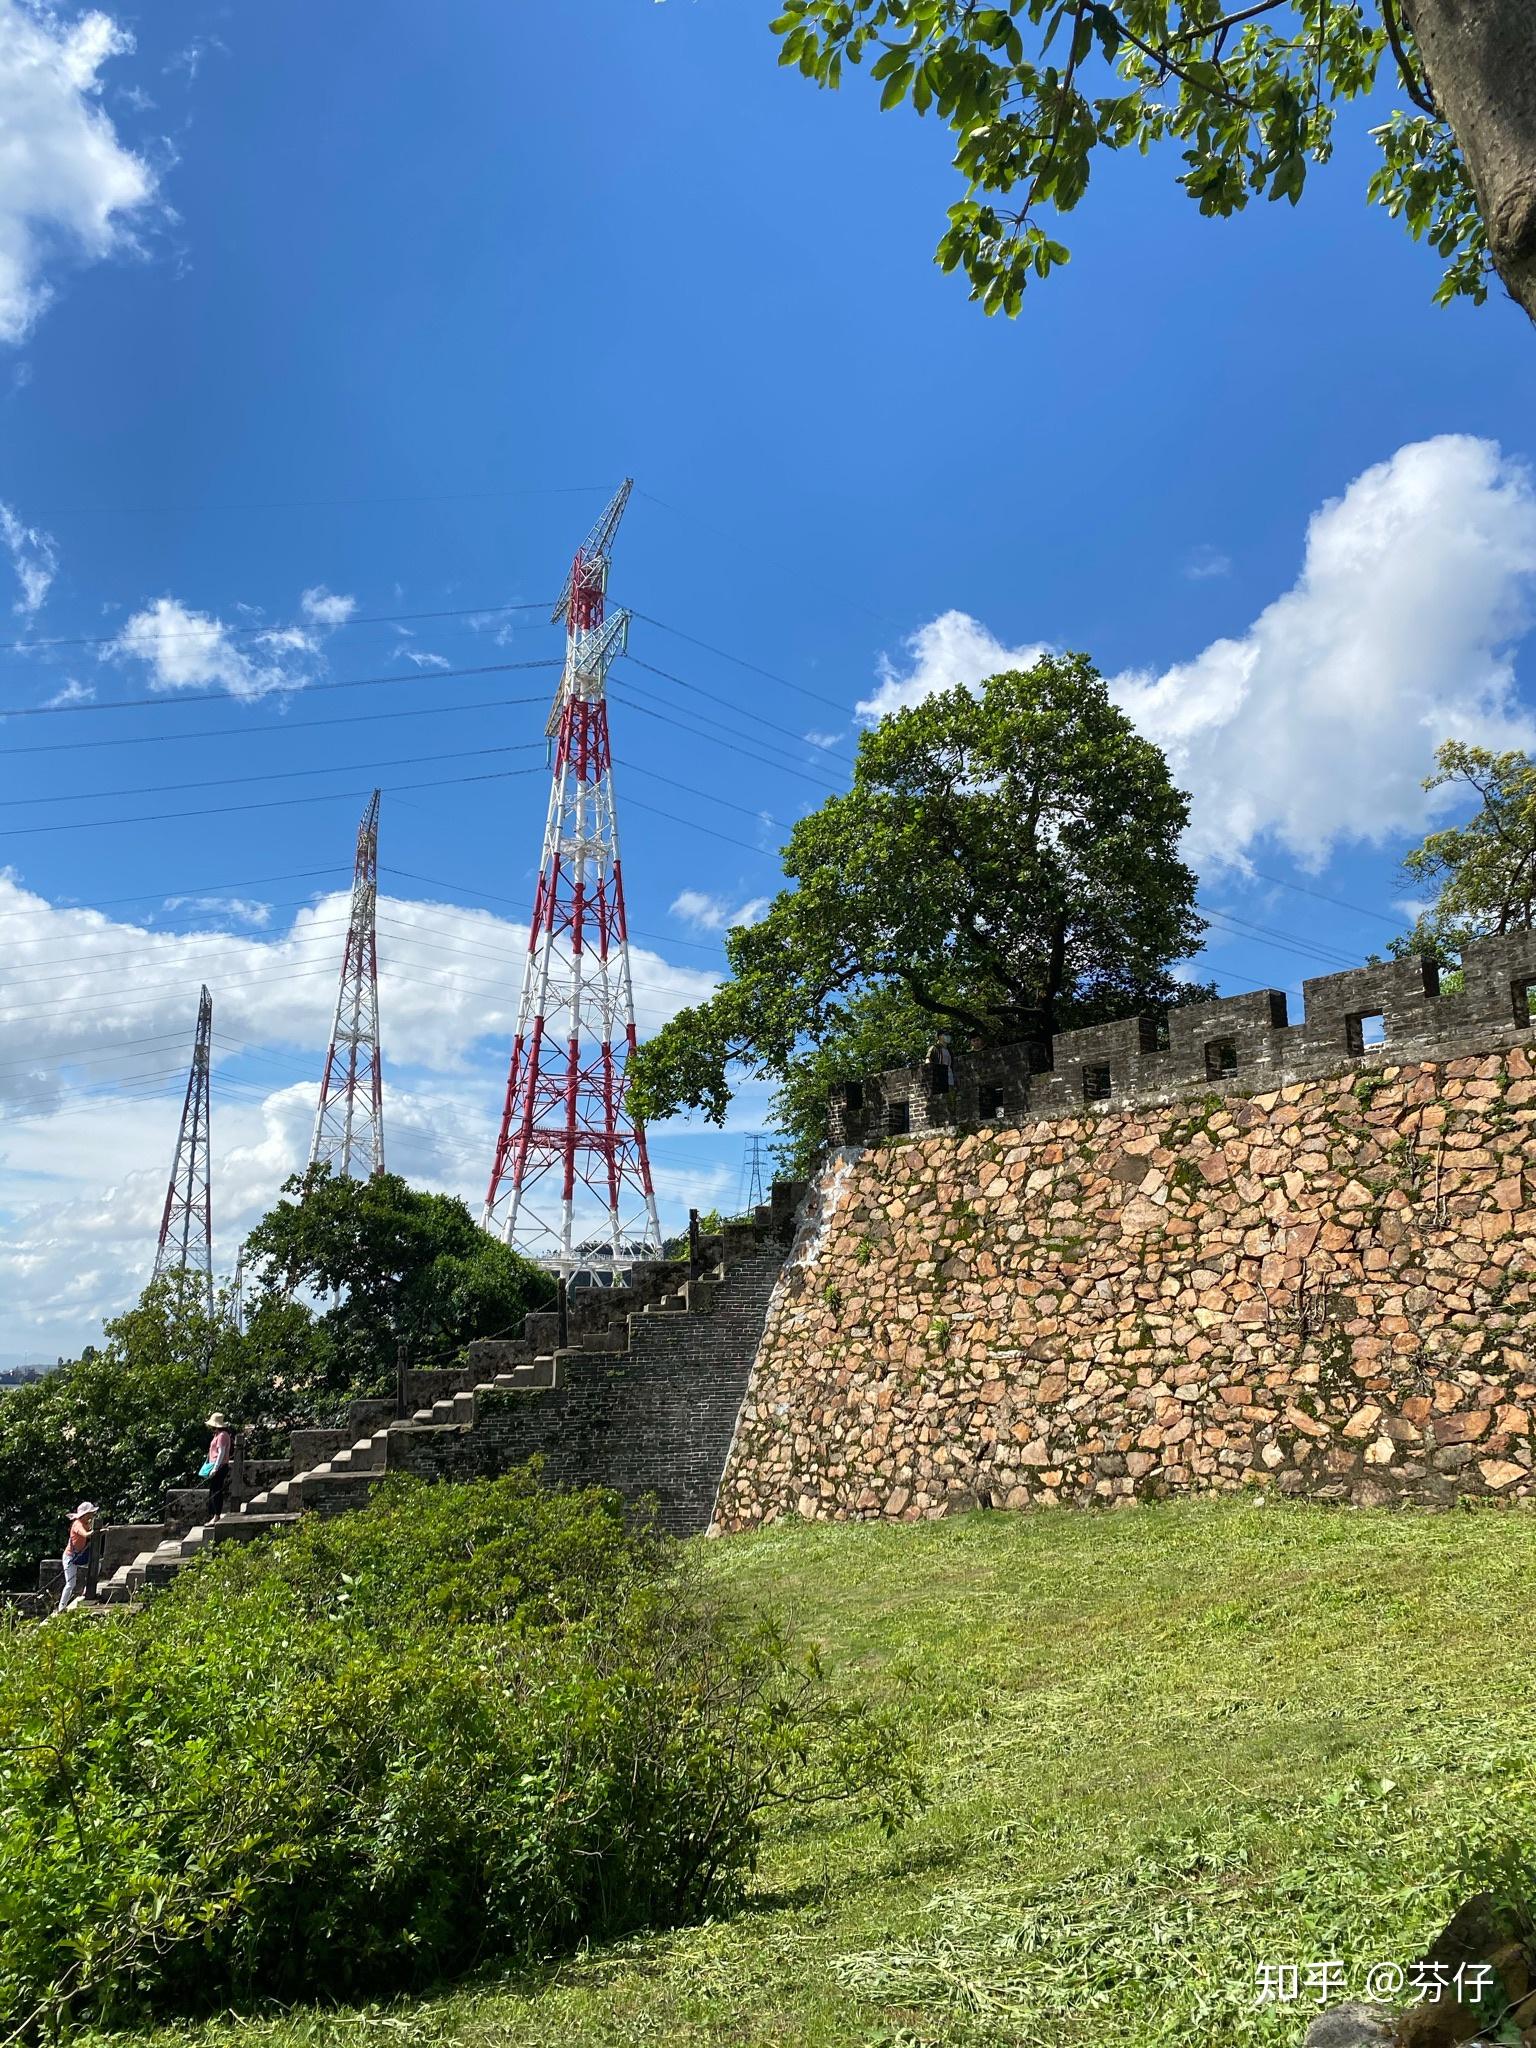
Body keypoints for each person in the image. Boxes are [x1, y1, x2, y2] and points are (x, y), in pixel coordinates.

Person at [57, 1501, 97, 1611]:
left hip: (79, 1555)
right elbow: (86, 1534)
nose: (92, 1515)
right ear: (85, 1514)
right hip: (70, 1557)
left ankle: (86, 1590)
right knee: (71, 1583)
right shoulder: (78, 1524)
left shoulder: (86, 1523)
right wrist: (97, 1531)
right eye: (90, 1513)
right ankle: (61, 1607)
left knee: (96, 1566)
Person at [203, 1412, 234, 1522]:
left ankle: (216, 1515)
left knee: (216, 1491)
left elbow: (221, 1452)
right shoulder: (218, 1435)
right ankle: (213, 1515)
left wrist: (215, 1468)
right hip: (215, 1465)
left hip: (220, 1467)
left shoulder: (222, 1436)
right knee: (213, 1490)